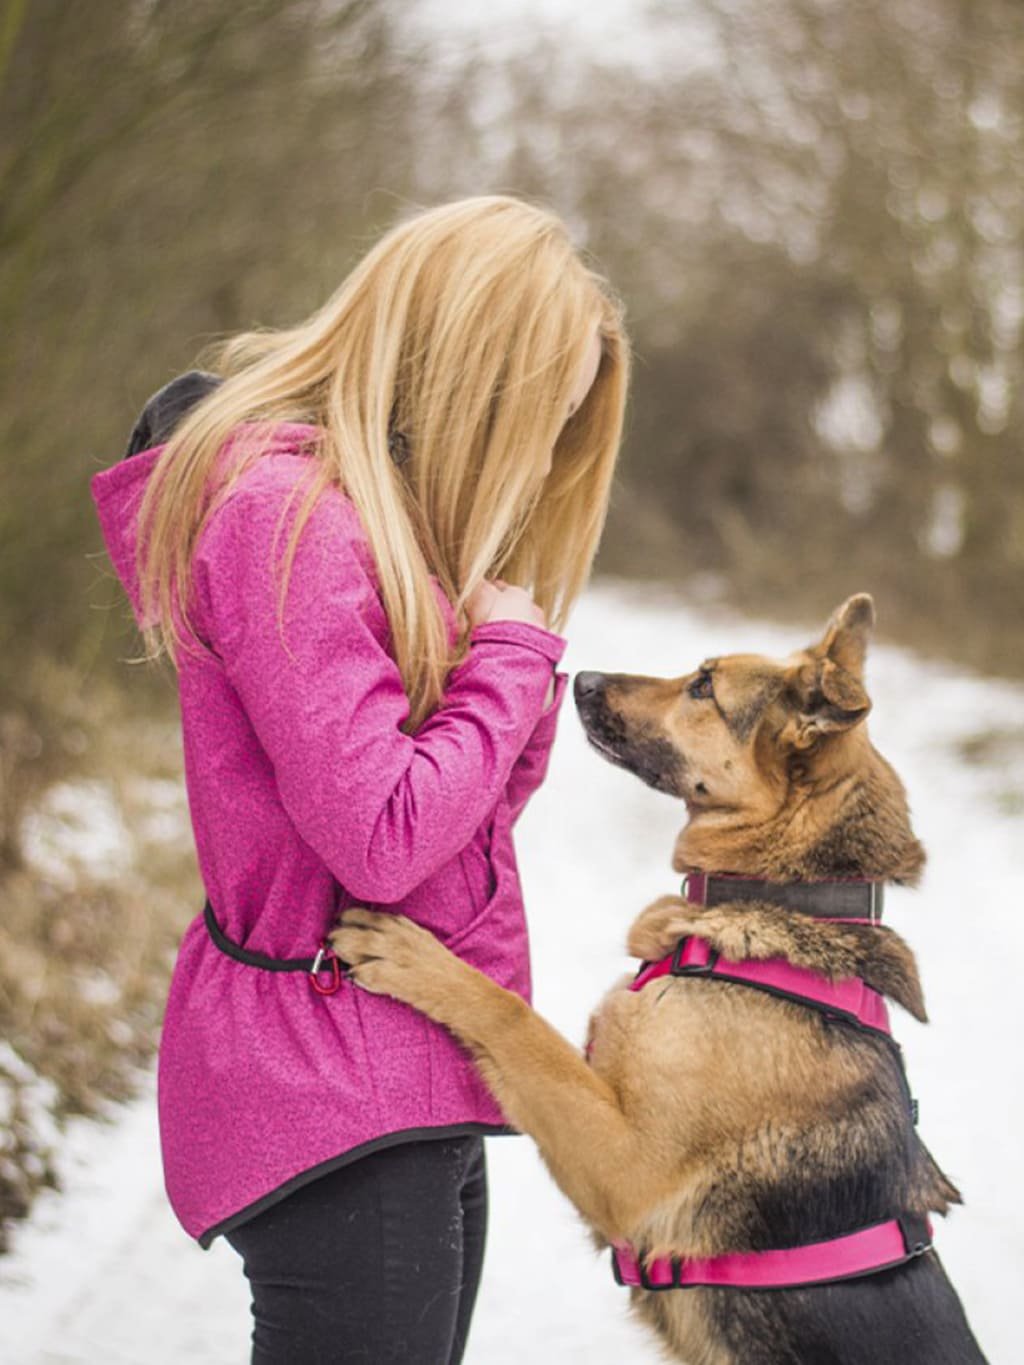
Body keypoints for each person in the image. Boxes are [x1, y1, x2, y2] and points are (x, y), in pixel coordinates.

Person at [89, 192, 630, 1363]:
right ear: (471, 380)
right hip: (333, 1073)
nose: (544, 455)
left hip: (400, 1058)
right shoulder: (291, 518)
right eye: (545, 416)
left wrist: (501, 673)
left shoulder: (361, 523)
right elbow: (384, 835)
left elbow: (459, 837)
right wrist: (510, 657)